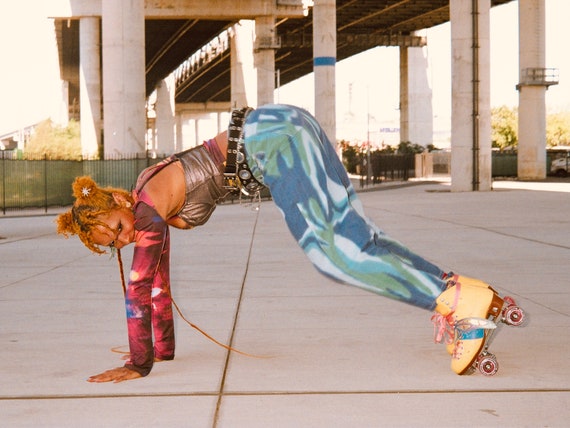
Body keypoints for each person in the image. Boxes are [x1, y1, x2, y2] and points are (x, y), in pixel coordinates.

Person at [57, 104, 507, 383]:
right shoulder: (146, 198)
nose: (126, 235)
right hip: (282, 125)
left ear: (116, 201)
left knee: (332, 257)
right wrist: (162, 350)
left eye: (117, 225)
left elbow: (138, 290)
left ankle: (455, 302)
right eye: (114, 242)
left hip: (272, 143)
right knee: (358, 241)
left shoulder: (148, 208)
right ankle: (463, 291)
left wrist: (138, 365)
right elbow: (157, 286)